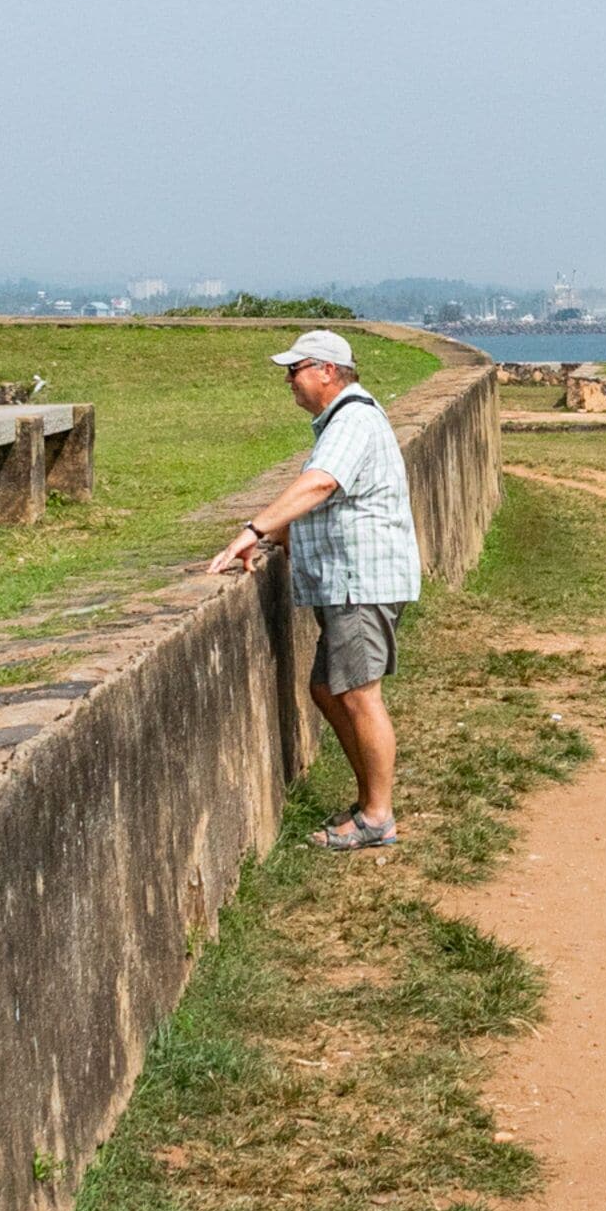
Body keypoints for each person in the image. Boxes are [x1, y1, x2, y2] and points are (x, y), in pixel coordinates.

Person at [206, 329, 420, 850]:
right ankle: (371, 799)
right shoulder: (344, 420)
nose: (289, 380)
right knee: (328, 689)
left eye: (295, 369)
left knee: (358, 694)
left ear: (327, 370)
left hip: (358, 582)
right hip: (346, 581)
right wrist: (280, 532)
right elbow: (327, 496)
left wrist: (254, 531)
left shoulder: (352, 419)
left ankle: (377, 816)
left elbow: (322, 483)